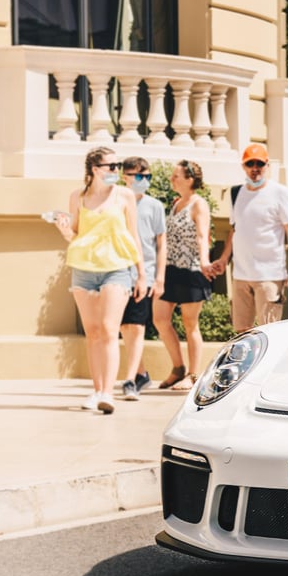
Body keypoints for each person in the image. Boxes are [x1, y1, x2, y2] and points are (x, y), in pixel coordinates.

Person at [50, 145, 147, 414]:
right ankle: (96, 391)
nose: (117, 171)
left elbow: (134, 236)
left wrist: (141, 274)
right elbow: (77, 234)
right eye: (112, 166)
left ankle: (108, 393)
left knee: (108, 329)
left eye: (117, 166)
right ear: (95, 169)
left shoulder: (125, 196)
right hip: (83, 269)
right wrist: (65, 230)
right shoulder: (78, 197)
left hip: (116, 268)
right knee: (92, 334)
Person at [208, 143, 288, 332]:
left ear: (267, 165)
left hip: (269, 275)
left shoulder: (280, 193)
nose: (255, 169)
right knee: (241, 333)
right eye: (250, 164)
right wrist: (224, 259)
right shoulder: (236, 194)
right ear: (243, 166)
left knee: (269, 332)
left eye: (259, 164)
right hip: (241, 276)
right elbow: (235, 230)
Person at [154, 160, 213, 390]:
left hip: (191, 270)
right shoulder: (177, 203)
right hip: (170, 269)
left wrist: (205, 261)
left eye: (176, 176)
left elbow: (202, 236)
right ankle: (178, 368)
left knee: (190, 324)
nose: (172, 179)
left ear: (190, 179)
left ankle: (193, 374)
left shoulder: (199, 204)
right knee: (160, 318)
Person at [119, 156, 167, 400]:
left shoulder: (155, 206)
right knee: (125, 328)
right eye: (139, 176)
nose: (144, 181)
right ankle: (142, 374)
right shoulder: (115, 202)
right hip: (117, 273)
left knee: (137, 327)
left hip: (144, 275)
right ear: (125, 176)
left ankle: (130, 381)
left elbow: (161, 243)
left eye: (147, 177)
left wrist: (159, 277)